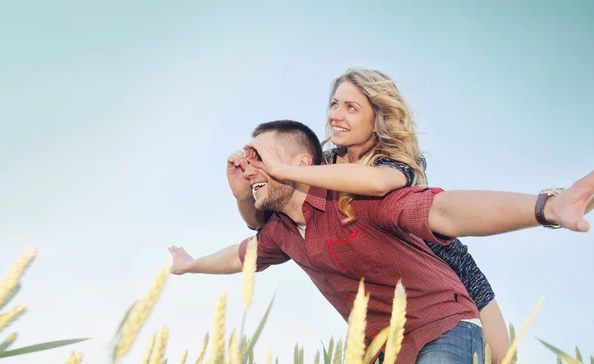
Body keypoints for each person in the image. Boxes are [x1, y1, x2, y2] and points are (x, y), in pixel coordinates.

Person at [169, 120, 594, 364]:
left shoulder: (355, 199)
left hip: (440, 329)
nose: (249, 167)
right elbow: (240, 255)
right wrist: (190, 264)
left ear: (301, 164)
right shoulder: (281, 231)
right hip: (382, 351)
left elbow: (442, 211)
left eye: (259, 157)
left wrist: (545, 207)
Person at [231, 68, 507, 362]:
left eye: (351, 107)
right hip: (384, 323)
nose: (335, 116)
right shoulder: (319, 165)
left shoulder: (398, 163)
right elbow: (264, 222)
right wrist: (244, 195)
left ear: (377, 118)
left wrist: (285, 170)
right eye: (334, 104)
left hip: (442, 274)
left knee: (503, 355)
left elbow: (377, 184)